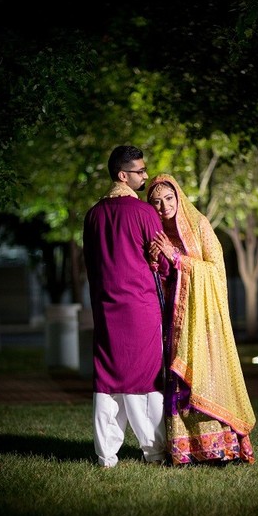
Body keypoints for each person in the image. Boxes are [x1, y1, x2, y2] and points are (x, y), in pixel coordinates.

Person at [147, 173, 256, 467]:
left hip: (204, 319)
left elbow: (216, 271)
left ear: (179, 197)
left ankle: (218, 447)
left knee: (206, 377)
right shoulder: (155, 233)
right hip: (174, 319)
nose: (164, 206)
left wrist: (178, 258)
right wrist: (157, 261)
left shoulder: (199, 226)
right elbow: (160, 281)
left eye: (169, 199)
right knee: (178, 381)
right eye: (156, 202)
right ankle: (184, 449)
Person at [82, 146, 169, 468]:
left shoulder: (93, 215)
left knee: (107, 379)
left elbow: (91, 264)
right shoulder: (145, 213)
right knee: (145, 380)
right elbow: (161, 262)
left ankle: (106, 455)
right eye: (140, 172)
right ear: (123, 175)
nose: (145, 176)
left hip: (105, 308)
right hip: (141, 308)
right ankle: (155, 452)